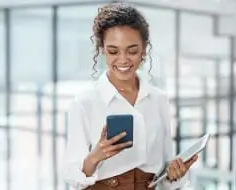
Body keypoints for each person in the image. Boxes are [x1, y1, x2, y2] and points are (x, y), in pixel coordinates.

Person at [62, 2, 198, 190]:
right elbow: (72, 176)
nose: (123, 59)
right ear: (102, 49)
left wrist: (175, 173)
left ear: (144, 50)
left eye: (132, 50)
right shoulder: (85, 102)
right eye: (113, 51)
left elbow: (164, 175)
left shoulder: (159, 99)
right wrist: (96, 156)